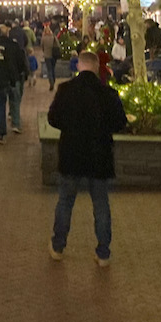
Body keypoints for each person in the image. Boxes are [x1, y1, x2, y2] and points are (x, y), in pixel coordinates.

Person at [46, 52, 127, 267]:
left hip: (71, 154)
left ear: (79, 66)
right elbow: (120, 122)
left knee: (65, 201)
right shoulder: (108, 93)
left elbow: (52, 118)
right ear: (97, 67)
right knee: (101, 204)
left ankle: (58, 246)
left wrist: (69, 127)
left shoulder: (65, 90)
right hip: (99, 156)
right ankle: (103, 253)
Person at [3, 25, 29, 134]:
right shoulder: (17, 47)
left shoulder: (2, 48)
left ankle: (3, 126)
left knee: (4, 100)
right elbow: (22, 62)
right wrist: (24, 73)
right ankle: (16, 123)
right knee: (16, 99)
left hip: (5, 77)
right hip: (16, 76)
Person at [40, 23, 60, 91]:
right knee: (53, 68)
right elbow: (58, 45)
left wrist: (45, 51)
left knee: (49, 70)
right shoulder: (53, 37)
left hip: (47, 55)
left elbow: (42, 46)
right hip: (54, 55)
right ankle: (53, 80)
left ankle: (51, 82)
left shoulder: (43, 38)